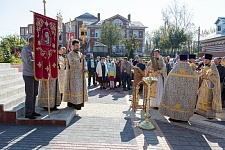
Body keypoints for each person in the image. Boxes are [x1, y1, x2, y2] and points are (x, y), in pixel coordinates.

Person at [159, 54, 198, 121]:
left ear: (179, 59)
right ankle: (184, 117)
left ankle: (174, 116)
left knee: (175, 102)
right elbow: (195, 82)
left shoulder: (175, 68)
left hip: (175, 92)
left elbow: (169, 80)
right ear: (186, 60)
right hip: (185, 93)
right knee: (184, 102)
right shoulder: (190, 69)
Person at [63, 39, 88, 110]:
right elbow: (72, 64)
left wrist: (85, 68)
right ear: (72, 46)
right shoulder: (70, 54)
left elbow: (84, 63)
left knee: (80, 90)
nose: (78, 47)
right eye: (76, 46)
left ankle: (79, 103)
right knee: (75, 89)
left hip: (80, 75)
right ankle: (73, 103)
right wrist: (80, 60)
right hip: (73, 76)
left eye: (78, 45)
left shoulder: (80, 54)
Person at [195, 54, 222, 119]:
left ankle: (209, 114)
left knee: (208, 99)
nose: (205, 61)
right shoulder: (204, 66)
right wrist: (200, 75)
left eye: (207, 60)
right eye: (205, 60)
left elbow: (216, 78)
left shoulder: (213, 68)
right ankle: (200, 111)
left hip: (210, 86)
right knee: (201, 97)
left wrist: (207, 77)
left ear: (210, 60)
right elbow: (201, 74)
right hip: (203, 85)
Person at [21, 37, 40, 119]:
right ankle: (28, 113)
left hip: (35, 74)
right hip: (28, 74)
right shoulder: (25, 50)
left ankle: (32, 110)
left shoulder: (33, 50)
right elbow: (28, 62)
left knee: (35, 93)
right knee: (30, 94)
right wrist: (38, 62)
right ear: (32, 42)